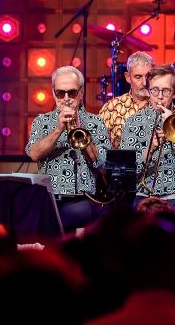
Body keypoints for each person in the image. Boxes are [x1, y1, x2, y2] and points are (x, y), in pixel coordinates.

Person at [27, 65, 112, 232]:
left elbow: (103, 163)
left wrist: (82, 132)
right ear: (53, 93)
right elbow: (34, 154)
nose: (66, 98)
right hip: (49, 200)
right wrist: (58, 130)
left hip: (82, 201)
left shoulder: (96, 122)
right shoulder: (41, 121)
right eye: (60, 93)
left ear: (81, 92)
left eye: (72, 93)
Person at [121, 64, 175, 213]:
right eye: (155, 90)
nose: (159, 96)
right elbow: (125, 171)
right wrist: (150, 150)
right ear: (148, 91)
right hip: (144, 198)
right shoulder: (134, 122)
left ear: (174, 93)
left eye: (166, 90)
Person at [99, 51, 154, 148]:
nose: (145, 83)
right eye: (138, 77)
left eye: (148, 76)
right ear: (128, 77)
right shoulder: (112, 107)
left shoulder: (162, 105)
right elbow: (98, 144)